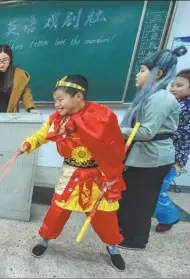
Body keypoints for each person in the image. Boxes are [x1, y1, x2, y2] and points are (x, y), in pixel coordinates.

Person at [18, 75, 127, 271]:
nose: (56, 104)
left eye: (60, 99)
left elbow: (115, 148)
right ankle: (44, 240)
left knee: (105, 215)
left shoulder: (103, 116)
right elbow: (42, 135)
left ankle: (113, 247)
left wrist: (112, 175)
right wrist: (29, 144)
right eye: (54, 100)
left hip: (98, 175)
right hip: (70, 173)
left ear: (78, 96)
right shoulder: (57, 120)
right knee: (57, 210)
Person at [118, 46, 187, 249]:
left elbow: (147, 132)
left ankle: (134, 241)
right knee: (130, 197)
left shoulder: (161, 99)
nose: (137, 74)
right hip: (143, 157)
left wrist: (116, 129)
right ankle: (123, 232)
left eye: (141, 70)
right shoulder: (150, 96)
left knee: (140, 201)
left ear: (158, 74)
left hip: (152, 159)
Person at [154, 69, 190, 232]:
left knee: (158, 187)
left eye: (180, 85)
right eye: (173, 85)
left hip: (172, 156)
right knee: (157, 186)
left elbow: (170, 129)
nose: (174, 88)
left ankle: (169, 216)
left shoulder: (183, 107)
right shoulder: (178, 104)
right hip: (167, 154)